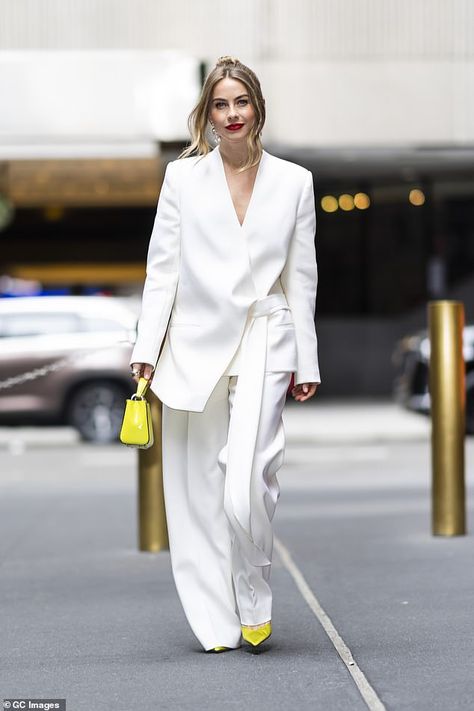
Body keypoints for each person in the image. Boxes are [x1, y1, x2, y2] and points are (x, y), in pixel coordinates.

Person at [130, 55, 321, 653]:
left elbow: (302, 277)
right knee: (197, 491)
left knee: (246, 484)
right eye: (221, 103)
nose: (232, 114)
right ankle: (216, 620)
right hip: (195, 345)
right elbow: (162, 270)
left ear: (257, 108)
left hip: (267, 334)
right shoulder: (182, 179)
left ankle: (254, 593)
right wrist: (147, 347)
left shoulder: (294, 181)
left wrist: (307, 360)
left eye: (241, 102)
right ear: (207, 113)